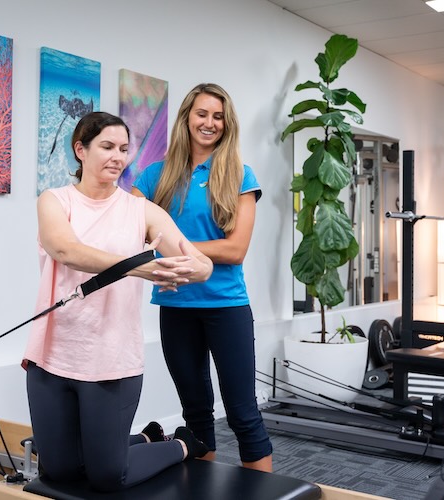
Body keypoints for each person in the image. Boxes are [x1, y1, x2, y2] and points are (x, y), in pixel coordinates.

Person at [23, 111, 213, 492]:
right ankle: (146, 437)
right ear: (81, 150)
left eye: (124, 149)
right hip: (54, 354)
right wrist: (139, 267)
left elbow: (203, 265)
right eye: (107, 146)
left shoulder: (140, 211)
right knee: (58, 471)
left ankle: (180, 444)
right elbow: (66, 249)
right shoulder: (55, 200)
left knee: (108, 475)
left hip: (111, 358)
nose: (117, 157)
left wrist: (180, 269)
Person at [132, 83, 273, 472]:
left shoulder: (240, 176)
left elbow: (235, 249)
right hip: (175, 307)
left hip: (226, 307)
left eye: (218, 116)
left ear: (227, 124)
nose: (209, 123)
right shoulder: (153, 177)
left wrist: (174, 245)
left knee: (244, 414)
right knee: (195, 414)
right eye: (202, 114)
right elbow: (128, 230)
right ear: (186, 118)